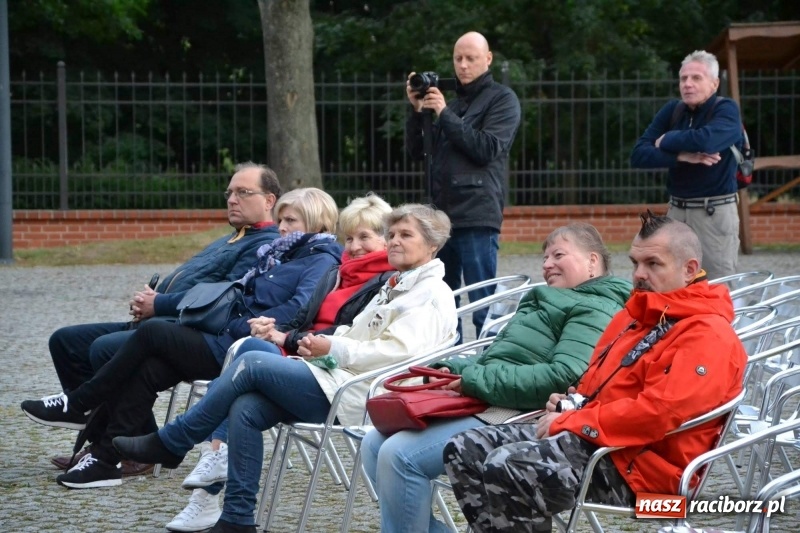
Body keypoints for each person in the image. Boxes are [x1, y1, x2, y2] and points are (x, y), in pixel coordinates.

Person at [112, 204, 459, 533]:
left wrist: (331, 346)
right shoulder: (398, 284)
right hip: (336, 377)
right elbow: (354, 334)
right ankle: (237, 519)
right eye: (393, 233)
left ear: (432, 245)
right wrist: (311, 343)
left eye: (405, 235)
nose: (395, 240)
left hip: (365, 393)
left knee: (250, 363)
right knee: (245, 407)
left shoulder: (429, 294)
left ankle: (173, 441)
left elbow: (397, 354)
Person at [443, 211, 748, 533]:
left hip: (645, 474)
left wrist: (575, 419)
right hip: (602, 443)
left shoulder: (706, 334)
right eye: (635, 263)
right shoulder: (639, 315)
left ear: (689, 270)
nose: (639, 274)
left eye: (653, 264)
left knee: (510, 466)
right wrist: (571, 402)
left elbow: (657, 413)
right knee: (464, 448)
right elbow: (596, 385)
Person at [21, 187, 343, 489]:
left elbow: (298, 310)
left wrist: (243, 323)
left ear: (316, 222)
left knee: (153, 332)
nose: (282, 227)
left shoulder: (321, 258)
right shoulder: (280, 253)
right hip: (221, 333)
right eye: (282, 219)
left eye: (291, 220)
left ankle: (78, 403)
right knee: (147, 369)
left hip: (240, 345)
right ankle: (107, 459)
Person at [362, 222, 632, 533]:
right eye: (544, 258)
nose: (547, 264)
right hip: (489, 401)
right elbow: (498, 357)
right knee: (373, 443)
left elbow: (565, 376)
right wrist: (452, 367)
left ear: (592, 262)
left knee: (399, 456)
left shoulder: (595, 306)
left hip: (519, 414)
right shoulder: (547, 298)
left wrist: (475, 379)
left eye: (558, 255)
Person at [164, 193, 395, 533]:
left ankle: (181, 440)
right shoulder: (339, 273)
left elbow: (347, 336)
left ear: (386, 240)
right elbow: (304, 315)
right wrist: (276, 328)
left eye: (365, 237)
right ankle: (232, 514)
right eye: (350, 237)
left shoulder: (385, 282)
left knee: (251, 358)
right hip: (303, 357)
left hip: (334, 374)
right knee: (244, 399)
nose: (355, 246)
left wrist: (284, 338)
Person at [46, 161, 282, 475]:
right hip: (159, 321)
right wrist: (152, 298)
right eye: (229, 192)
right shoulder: (236, 235)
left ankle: (126, 445)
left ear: (269, 200)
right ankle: (108, 435)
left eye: (243, 192)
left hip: (186, 330)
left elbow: (221, 299)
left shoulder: (263, 245)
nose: (231, 199)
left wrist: (159, 305)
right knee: (65, 341)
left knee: (104, 348)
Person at [406, 31, 521, 338]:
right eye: (458, 58)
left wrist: (443, 113)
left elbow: (485, 148)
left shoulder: (503, 100)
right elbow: (417, 152)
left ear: (488, 59)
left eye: (471, 58)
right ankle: (449, 363)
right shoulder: (453, 105)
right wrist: (418, 112)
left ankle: (488, 365)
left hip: (477, 213)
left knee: (481, 300)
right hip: (441, 217)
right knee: (443, 301)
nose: (464, 65)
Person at [630, 50, 744, 279]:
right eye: (683, 78)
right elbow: (639, 155)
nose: (688, 84)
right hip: (676, 211)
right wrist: (680, 156)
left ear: (714, 83)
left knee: (717, 283)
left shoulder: (726, 109)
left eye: (696, 78)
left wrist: (667, 139)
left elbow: (707, 140)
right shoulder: (673, 110)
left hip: (713, 211)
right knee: (671, 279)